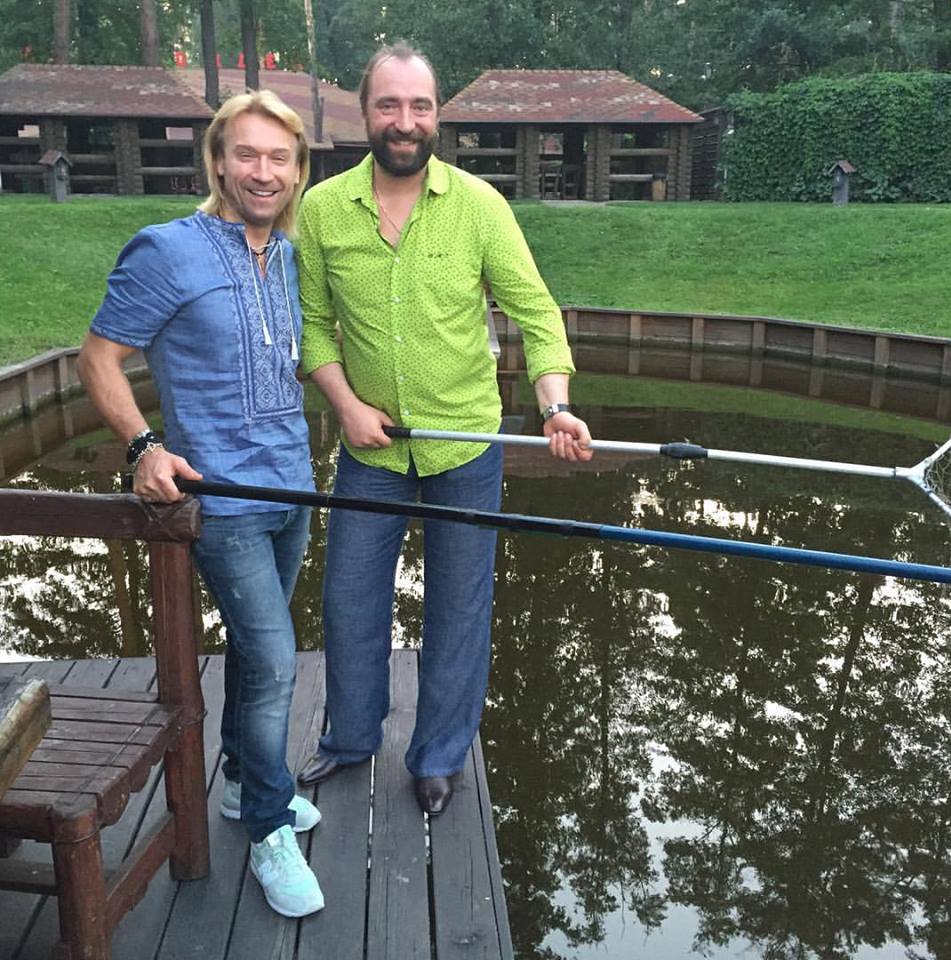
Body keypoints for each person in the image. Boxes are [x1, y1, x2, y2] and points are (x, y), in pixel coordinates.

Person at [295, 42, 593, 816]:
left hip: (467, 446)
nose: (405, 120)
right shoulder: (322, 210)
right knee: (348, 601)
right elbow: (314, 327)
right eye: (389, 105)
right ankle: (350, 737)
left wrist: (555, 406)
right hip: (370, 450)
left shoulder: (479, 206)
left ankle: (436, 756)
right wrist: (345, 405)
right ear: (365, 113)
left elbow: (537, 314)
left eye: (419, 106)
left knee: (458, 608)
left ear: (437, 116)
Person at [76, 91, 324, 919]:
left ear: (298, 170)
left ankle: (241, 784)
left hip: (292, 484)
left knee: (257, 654)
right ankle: (268, 826)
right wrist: (144, 446)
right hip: (221, 499)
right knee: (277, 659)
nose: (264, 171)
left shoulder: (285, 255)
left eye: (280, 157)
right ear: (218, 160)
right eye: (246, 154)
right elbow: (99, 357)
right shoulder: (168, 249)